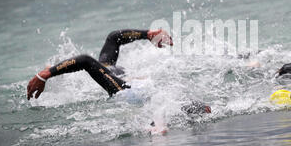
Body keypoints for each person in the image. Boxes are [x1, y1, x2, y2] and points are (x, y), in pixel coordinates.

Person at [26, 28, 211, 115]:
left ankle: (196, 110)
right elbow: (84, 61)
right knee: (162, 97)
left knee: (163, 96)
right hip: (127, 91)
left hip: (136, 87)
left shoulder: (104, 64)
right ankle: (197, 110)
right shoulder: (102, 70)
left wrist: (147, 34)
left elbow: (114, 37)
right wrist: (44, 75)